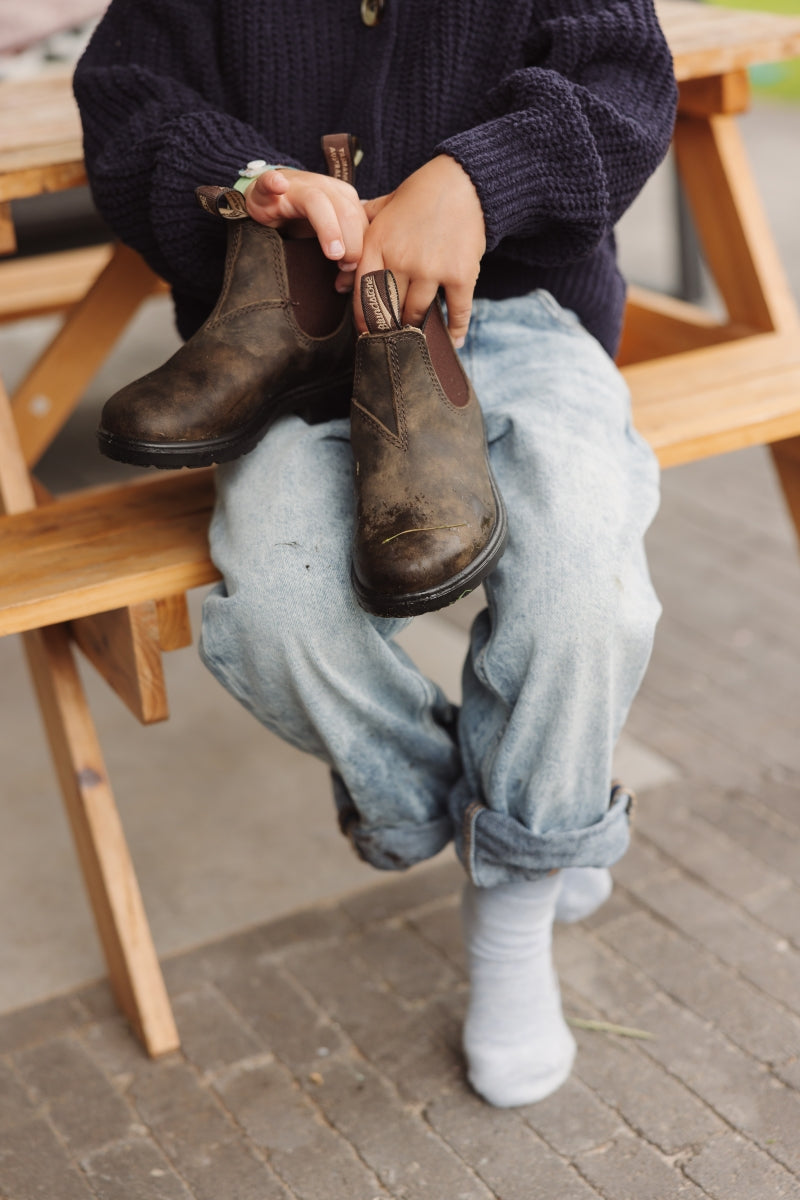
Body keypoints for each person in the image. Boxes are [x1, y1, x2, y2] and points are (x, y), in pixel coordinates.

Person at [74, 0, 677, 1107]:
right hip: (288, 338)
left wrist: (478, 177)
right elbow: (126, 101)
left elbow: (626, 79)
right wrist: (244, 180)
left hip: (522, 317)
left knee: (583, 592)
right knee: (280, 611)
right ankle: (473, 808)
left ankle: (513, 906)